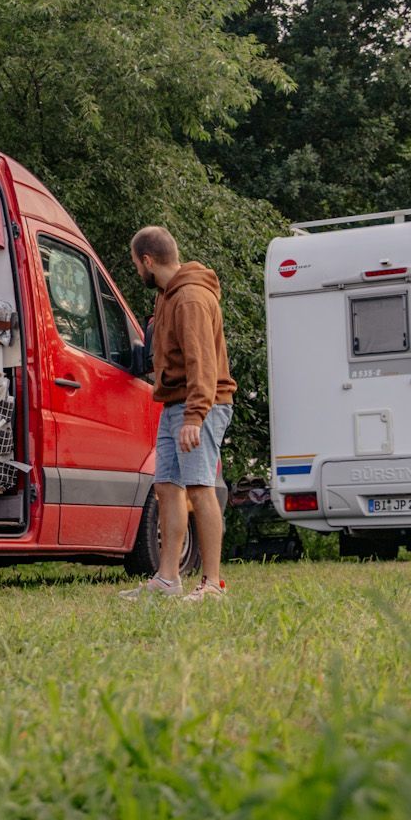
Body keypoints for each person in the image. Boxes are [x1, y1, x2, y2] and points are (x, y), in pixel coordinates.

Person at [123, 225, 234, 601]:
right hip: (174, 404)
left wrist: (195, 416)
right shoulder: (166, 295)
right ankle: (167, 579)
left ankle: (213, 584)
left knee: (201, 489)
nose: (137, 269)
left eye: (136, 263)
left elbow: (201, 362)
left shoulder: (189, 298)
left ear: (148, 261)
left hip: (201, 405)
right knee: (168, 488)